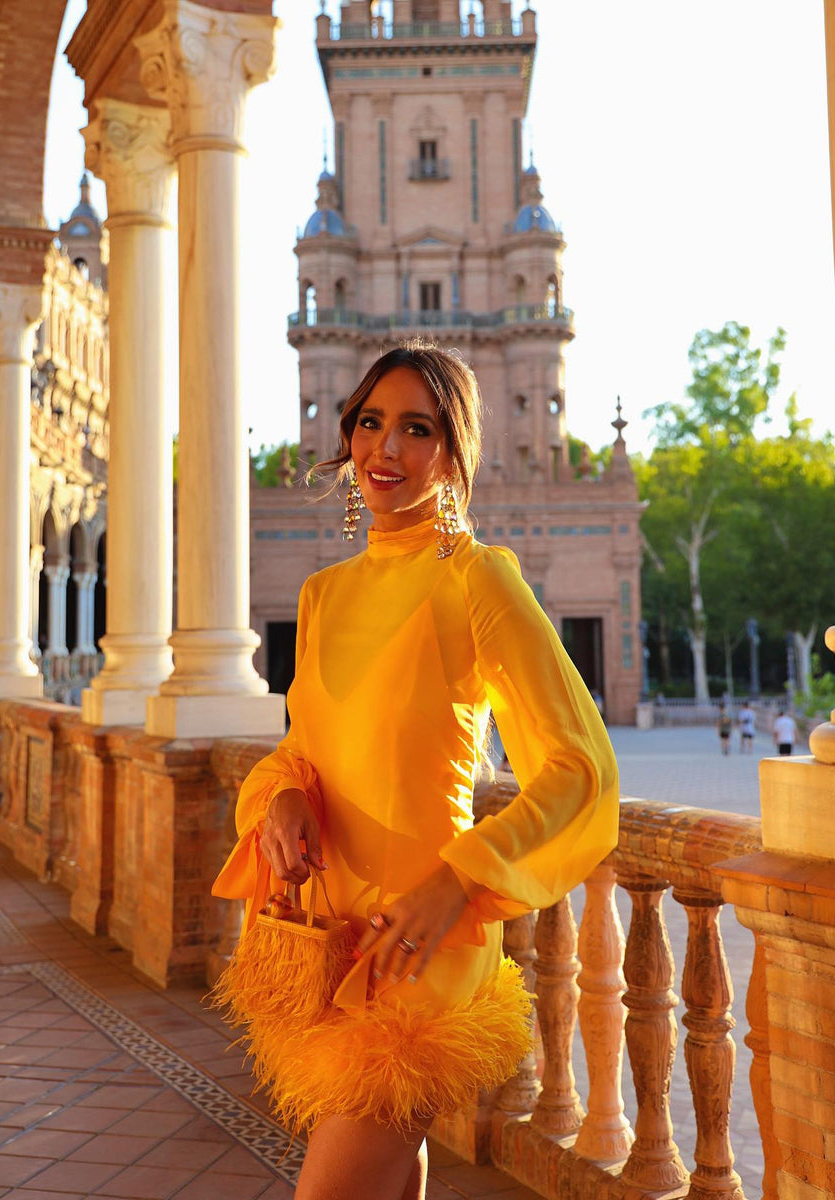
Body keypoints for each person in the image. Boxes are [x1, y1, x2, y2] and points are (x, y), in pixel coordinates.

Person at [212, 343, 619, 1200]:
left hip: (420, 954)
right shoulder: (324, 594)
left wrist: (457, 881)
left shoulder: (477, 582)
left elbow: (577, 766)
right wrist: (283, 794)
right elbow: (305, 745)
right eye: (370, 422)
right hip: (328, 942)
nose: (384, 450)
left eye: (415, 429)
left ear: (454, 451)